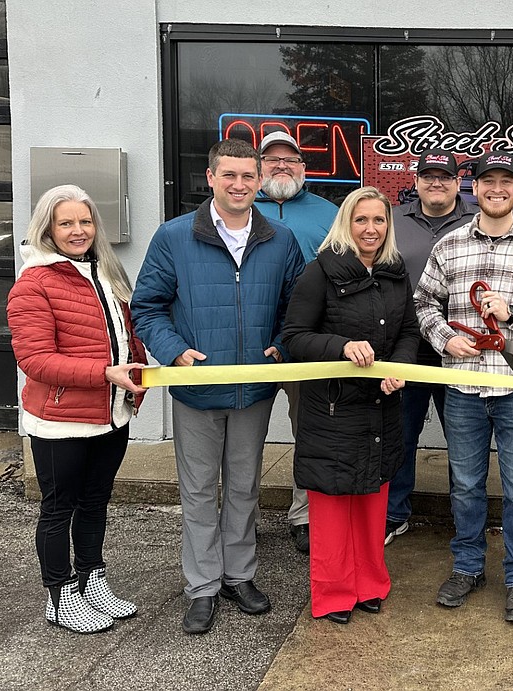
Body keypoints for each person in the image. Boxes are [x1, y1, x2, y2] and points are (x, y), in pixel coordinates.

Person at [131, 139, 306, 635]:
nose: (238, 184)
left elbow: (297, 307)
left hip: (252, 390)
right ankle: (203, 586)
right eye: (228, 175)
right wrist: (174, 350)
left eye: (247, 176)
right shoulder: (175, 236)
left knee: (245, 488)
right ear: (210, 178)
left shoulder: (280, 239)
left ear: (259, 181)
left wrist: (281, 345)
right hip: (197, 389)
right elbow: (147, 307)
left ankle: (239, 575)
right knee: (200, 491)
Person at [415, 152, 513, 623]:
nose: (497, 189)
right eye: (489, 181)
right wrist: (445, 338)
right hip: (463, 387)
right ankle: (468, 567)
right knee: (465, 485)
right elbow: (424, 302)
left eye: (507, 181)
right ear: (475, 189)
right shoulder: (450, 246)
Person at [7, 185, 148, 634]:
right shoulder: (34, 282)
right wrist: (106, 373)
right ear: (48, 228)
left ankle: (93, 580)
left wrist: (136, 380)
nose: (78, 231)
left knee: (94, 502)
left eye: (85, 222)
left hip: (110, 416)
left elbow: (128, 335)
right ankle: (60, 594)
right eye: (66, 223)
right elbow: (34, 359)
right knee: (58, 508)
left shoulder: (105, 271)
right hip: (59, 420)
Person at [282, 186, 420, 625]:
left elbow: (410, 332)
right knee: (333, 508)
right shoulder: (319, 272)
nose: (371, 229)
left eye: (379, 220)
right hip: (334, 412)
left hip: (381, 410)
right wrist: (342, 346)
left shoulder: (396, 271)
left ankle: (369, 586)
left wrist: (398, 366)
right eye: (362, 220)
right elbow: (294, 338)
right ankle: (335, 593)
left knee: (371, 506)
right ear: (347, 223)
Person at [253, 131, 340, 554]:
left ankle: (304, 515)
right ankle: (241, 518)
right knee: (243, 438)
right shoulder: (236, 209)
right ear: (258, 167)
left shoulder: (328, 214)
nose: (281, 165)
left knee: (310, 432)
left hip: (306, 345)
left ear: (304, 168)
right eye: (272, 160)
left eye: (290, 159)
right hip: (248, 344)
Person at [387, 149, 478, 546]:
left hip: (462, 353)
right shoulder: (392, 218)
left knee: (465, 444)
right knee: (400, 437)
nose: (436, 182)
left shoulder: (477, 220)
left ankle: (466, 518)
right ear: (417, 180)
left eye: (445, 176)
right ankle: (394, 513)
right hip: (405, 347)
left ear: (458, 182)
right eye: (429, 175)